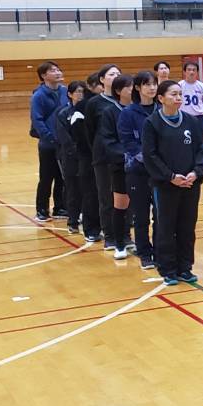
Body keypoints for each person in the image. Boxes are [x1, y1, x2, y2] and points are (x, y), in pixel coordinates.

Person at [143, 80, 203, 286]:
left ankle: (185, 267)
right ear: (161, 98)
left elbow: (200, 149)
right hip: (165, 185)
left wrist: (196, 172)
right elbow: (150, 155)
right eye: (173, 94)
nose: (178, 98)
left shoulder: (192, 121)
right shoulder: (152, 123)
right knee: (166, 226)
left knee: (187, 226)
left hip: (190, 184)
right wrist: (170, 176)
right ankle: (167, 269)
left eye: (180, 94)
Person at [88, 65, 131, 260]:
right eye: (111, 74)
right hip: (104, 157)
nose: (116, 76)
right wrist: (100, 149)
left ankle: (126, 235)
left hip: (127, 158)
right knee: (107, 198)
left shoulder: (128, 103)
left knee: (127, 198)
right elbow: (89, 131)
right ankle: (110, 236)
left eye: (118, 74)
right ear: (102, 79)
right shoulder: (95, 103)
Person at [118, 72, 158, 271]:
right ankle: (144, 252)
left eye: (154, 84)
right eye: (147, 84)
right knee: (141, 215)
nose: (152, 88)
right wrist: (148, 159)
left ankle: (161, 249)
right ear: (138, 87)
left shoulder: (161, 109)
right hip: (137, 171)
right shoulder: (128, 113)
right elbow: (128, 142)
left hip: (161, 172)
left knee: (161, 214)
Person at [30, 61, 67, 223]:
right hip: (48, 144)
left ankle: (60, 207)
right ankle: (42, 209)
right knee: (46, 177)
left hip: (64, 143)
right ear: (44, 75)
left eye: (58, 69)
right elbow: (37, 120)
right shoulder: (38, 95)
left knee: (62, 177)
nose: (58, 72)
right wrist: (50, 137)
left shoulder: (65, 91)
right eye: (53, 70)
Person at [50, 81, 87, 235]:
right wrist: (76, 150)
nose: (80, 94)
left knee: (88, 189)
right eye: (77, 91)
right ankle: (72, 221)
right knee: (72, 189)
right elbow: (63, 137)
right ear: (70, 94)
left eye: (82, 91)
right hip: (70, 157)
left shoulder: (88, 111)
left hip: (86, 157)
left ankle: (88, 220)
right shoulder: (63, 113)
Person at [74, 71, 104, 242]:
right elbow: (80, 133)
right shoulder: (82, 106)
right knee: (91, 193)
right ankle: (91, 228)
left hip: (106, 157)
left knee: (106, 194)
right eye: (100, 84)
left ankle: (106, 226)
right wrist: (94, 150)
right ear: (92, 86)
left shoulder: (111, 103)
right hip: (88, 156)